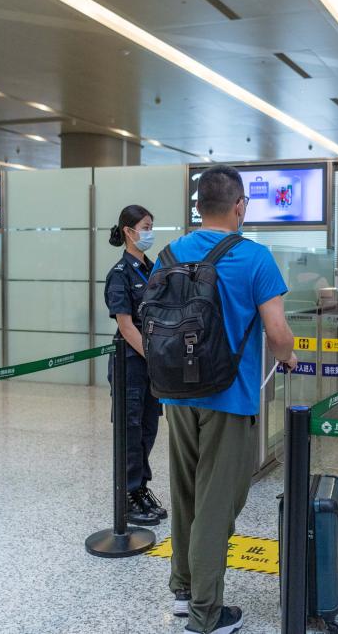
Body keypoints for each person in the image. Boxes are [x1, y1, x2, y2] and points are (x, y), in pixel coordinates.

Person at [153, 165, 298, 634]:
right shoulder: (255, 258)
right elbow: (277, 333)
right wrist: (290, 358)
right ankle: (206, 614)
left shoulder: (169, 253)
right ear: (239, 206)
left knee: (186, 493)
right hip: (229, 398)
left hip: (176, 395)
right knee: (218, 504)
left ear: (199, 206)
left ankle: (184, 590)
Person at [104, 205, 168, 527]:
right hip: (131, 363)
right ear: (129, 231)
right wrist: (152, 353)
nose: (149, 232)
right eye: (145, 226)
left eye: (151, 226)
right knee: (129, 432)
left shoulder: (153, 268)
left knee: (147, 428)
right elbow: (127, 326)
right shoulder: (120, 274)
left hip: (151, 366)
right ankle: (127, 496)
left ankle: (140, 488)